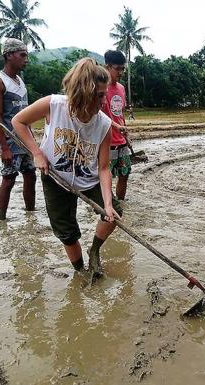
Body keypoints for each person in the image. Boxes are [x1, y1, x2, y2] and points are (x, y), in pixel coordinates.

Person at [11, 58, 122, 275]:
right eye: (99, 95)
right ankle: (81, 271)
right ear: (84, 92)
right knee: (66, 232)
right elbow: (18, 122)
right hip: (54, 176)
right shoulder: (54, 105)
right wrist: (37, 153)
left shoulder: (104, 124)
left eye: (104, 94)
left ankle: (95, 250)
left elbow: (104, 168)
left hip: (88, 179)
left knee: (115, 213)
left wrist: (107, 204)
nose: (104, 101)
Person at [0, 38, 36, 221]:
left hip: (25, 140)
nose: (26, 59)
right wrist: (5, 148)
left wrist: (32, 141)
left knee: (31, 176)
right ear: (9, 56)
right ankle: (2, 219)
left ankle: (31, 215)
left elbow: (26, 114)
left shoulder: (20, 81)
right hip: (10, 141)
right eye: (22, 55)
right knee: (9, 179)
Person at [102, 50, 132, 201]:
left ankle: (120, 204)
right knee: (105, 176)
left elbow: (120, 114)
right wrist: (116, 127)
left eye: (123, 68)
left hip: (121, 140)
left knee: (125, 174)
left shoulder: (121, 88)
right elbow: (98, 115)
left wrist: (125, 133)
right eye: (117, 68)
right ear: (107, 67)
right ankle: (105, 205)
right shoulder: (100, 89)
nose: (120, 72)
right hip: (106, 141)